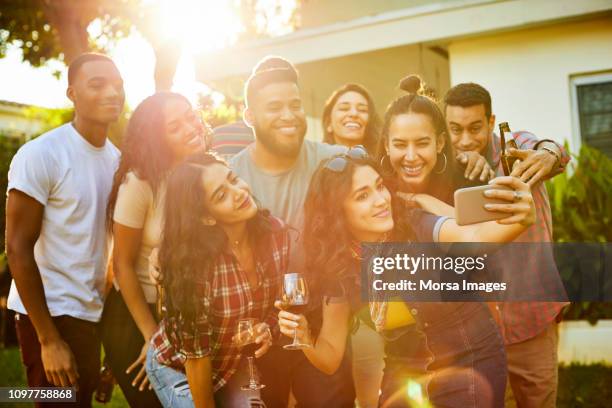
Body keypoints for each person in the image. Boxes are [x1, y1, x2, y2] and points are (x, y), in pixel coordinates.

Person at [278, 147, 537, 407]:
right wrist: (304, 337)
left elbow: (476, 238)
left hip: (469, 359)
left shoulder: (415, 226)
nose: (381, 199)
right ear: (338, 213)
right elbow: (330, 356)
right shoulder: (341, 266)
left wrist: (523, 218)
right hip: (404, 371)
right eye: (363, 196)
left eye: (380, 186)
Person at [230, 56, 353, 407]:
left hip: (319, 317)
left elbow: (388, 170)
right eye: (274, 107)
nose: (289, 115)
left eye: (295, 105)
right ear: (249, 116)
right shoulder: (232, 177)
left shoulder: (334, 162)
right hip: (256, 328)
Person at [5, 53, 124, 407]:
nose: (112, 92)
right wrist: (48, 340)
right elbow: (17, 248)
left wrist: (111, 341)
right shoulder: (41, 154)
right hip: (48, 315)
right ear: (72, 93)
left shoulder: (118, 161)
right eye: (97, 84)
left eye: (117, 85)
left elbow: (114, 251)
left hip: (91, 315)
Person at [444, 82, 570, 408]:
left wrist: (548, 154)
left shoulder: (515, 150)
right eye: (455, 129)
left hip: (532, 319)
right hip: (480, 333)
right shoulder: (445, 170)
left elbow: (552, 150)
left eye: (475, 127)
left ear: (490, 121)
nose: (465, 139)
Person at [145, 153, 285, 407]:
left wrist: (267, 328)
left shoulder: (275, 234)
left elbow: (280, 305)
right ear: (206, 217)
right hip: (178, 365)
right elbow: (196, 359)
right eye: (221, 195)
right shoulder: (195, 268)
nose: (239, 192)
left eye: (234, 179)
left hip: (233, 364)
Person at [101, 92, 210, 407]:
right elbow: (121, 265)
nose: (191, 127)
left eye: (190, 116)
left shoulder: (208, 173)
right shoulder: (140, 183)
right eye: (175, 127)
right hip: (137, 317)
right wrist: (152, 337)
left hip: (189, 314)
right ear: (157, 140)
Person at [321, 83, 385, 408]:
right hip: (336, 286)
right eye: (344, 107)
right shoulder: (316, 169)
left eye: (362, 108)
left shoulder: (380, 163)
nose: (354, 113)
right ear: (328, 121)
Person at [322, 83, 382, 155]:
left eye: (362, 110)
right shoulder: (313, 162)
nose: (354, 114)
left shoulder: (384, 163)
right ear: (329, 123)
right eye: (344, 108)